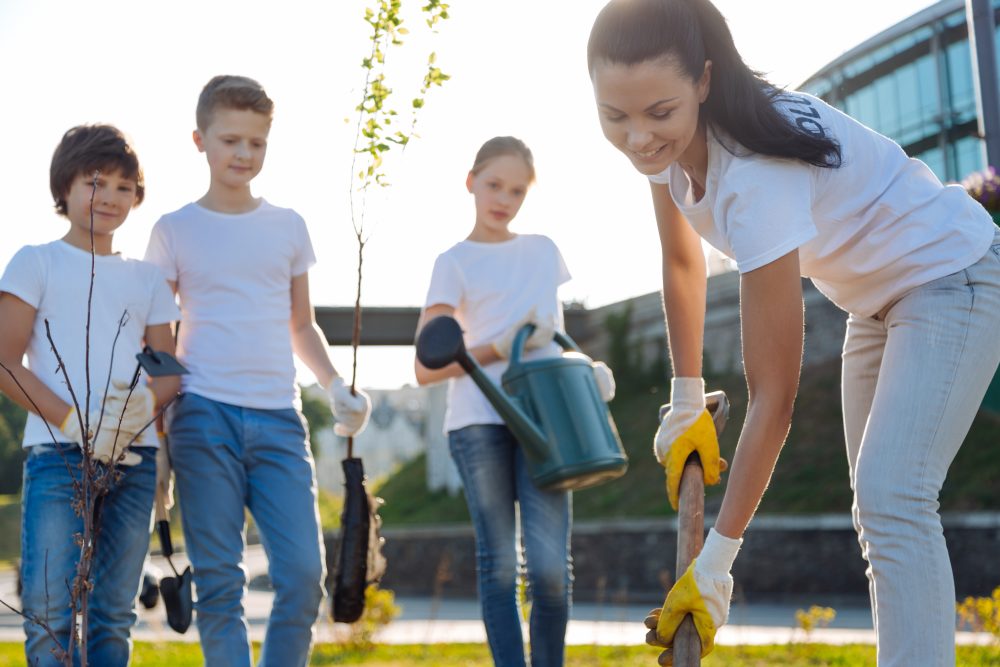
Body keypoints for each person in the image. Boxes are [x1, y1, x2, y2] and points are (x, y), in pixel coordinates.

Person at [587, 1, 1000, 665]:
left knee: (895, 495)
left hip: (954, 274)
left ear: (704, 81)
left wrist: (716, 562)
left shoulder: (753, 173)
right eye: (616, 116)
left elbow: (774, 397)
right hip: (874, 302)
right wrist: (686, 393)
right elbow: (681, 260)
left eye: (658, 112)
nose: (638, 137)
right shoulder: (671, 149)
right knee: (880, 512)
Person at [143, 75, 372, 667]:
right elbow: (156, 338)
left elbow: (302, 324)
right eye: (230, 141)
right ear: (200, 140)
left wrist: (334, 383)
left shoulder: (288, 226)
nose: (244, 154)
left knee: (302, 577)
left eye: (257, 143)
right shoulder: (173, 229)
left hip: (278, 418)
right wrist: (158, 432)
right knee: (220, 585)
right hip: (201, 416)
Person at [414, 136, 615, 667]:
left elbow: (551, 338)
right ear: (470, 182)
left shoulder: (543, 251)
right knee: (500, 566)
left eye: (517, 190)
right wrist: (494, 348)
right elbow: (425, 366)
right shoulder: (453, 262)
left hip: (548, 423)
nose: (503, 199)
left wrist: (586, 374)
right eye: (493, 185)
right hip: (479, 423)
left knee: (550, 569)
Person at [0, 124, 180, 666]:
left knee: (112, 616)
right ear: (66, 188)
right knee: (51, 614)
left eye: (125, 187)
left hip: (135, 460)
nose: (110, 197)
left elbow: (168, 371)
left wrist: (138, 415)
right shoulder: (35, 262)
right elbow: (5, 362)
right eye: (95, 182)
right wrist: (76, 422)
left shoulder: (148, 279)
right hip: (58, 456)